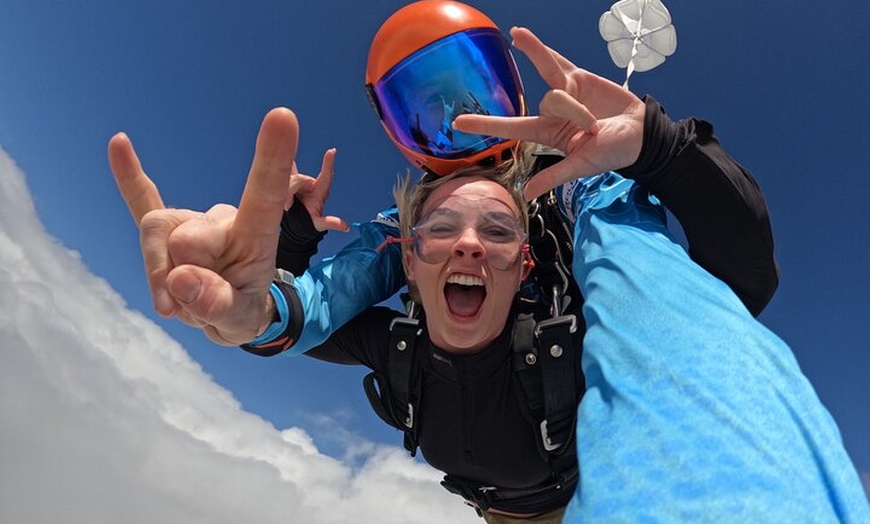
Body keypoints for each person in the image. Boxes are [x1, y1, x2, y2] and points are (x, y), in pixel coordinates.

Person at [105, 2, 789, 521]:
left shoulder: (573, 214)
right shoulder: (402, 262)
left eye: (473, 94)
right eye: (430, 111)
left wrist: (661, 150)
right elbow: (315, 307)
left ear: (525, 259)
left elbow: (713, 296)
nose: (461, 124)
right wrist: (267, 279)